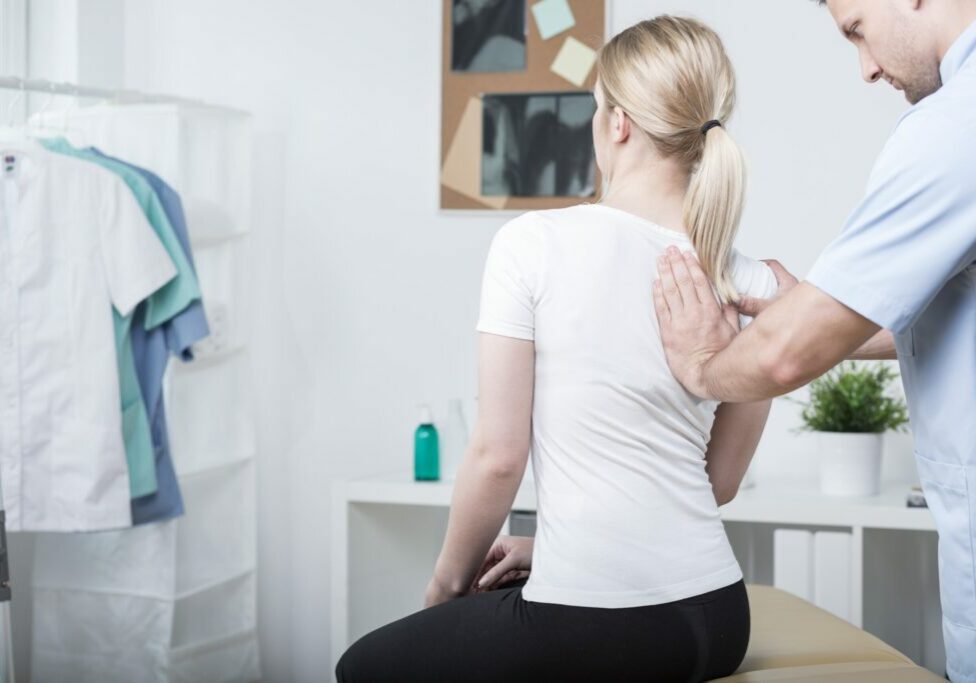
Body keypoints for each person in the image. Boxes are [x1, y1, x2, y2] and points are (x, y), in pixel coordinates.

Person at [336, 16, 777, 682]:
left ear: (619, 122)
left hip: (600, 624)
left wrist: (446, 587)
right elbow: (715, 481)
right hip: (718, 616)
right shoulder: (752, 280)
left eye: (597, 107)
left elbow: (497, 455)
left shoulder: (534, 243)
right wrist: (550, 546)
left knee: (361, 667)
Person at [651, 2, 976, 681]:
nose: (865, 68)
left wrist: (703, 364)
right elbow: (934, 312)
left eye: (857, 28)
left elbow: (783, 357)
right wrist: (808, 306)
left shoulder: (954, 127)